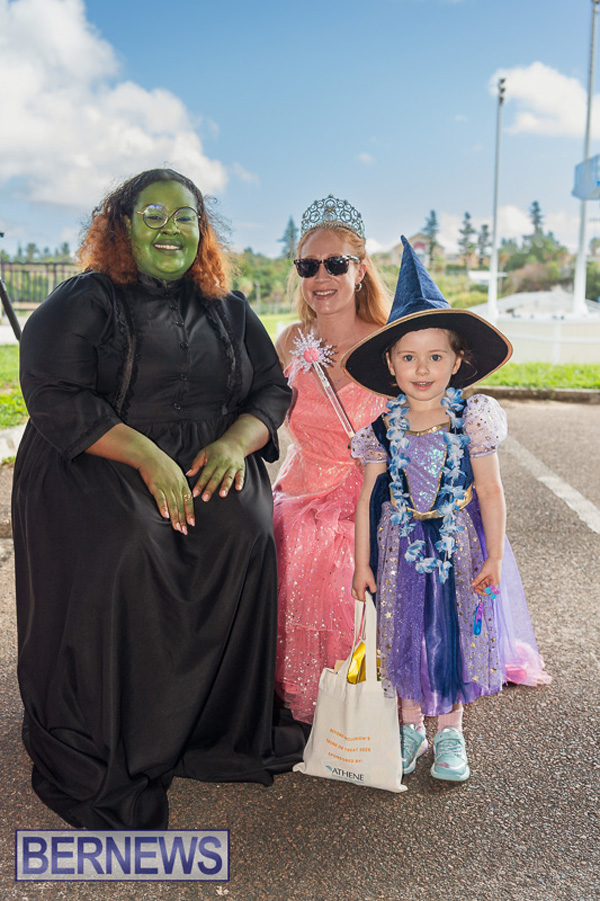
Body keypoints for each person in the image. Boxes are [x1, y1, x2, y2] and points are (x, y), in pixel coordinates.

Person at [12, 168, 303, 830]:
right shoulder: (84, 300)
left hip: (205, 455)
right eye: (154, 215)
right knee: (131, 543)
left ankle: (214, 730)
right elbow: (55, 393)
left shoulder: (229, 307)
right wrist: (146, 456)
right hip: (96, 456)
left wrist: (235, 443)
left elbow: (271, 390)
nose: (171, 229)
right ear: (121, 223)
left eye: (186, 217)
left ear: (202, 231)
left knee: (245, 529)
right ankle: (114, 743)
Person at [346, 237, 551, 783]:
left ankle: (451, 732)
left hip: (459, 547)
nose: (422, 368)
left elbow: (490, 491)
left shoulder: (473, 420)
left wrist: (494, 557)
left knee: (456, 634)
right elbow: (368, 498)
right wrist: (361, 562)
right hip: (398, 551)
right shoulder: (378, 432)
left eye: (436, 356)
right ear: (389, 365)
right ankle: (411, 726)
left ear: (458, 361)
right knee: (404, 634)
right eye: (408, 356)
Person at [273, 194, 391, 724]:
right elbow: (259, 414)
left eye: (336, 264)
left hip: (370, 489)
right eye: (308, 265)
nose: (321, 276)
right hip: (300, 487)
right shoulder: (290, 341)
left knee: (339, 548)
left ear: (360, 270)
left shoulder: (391, 343)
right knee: (280, 539)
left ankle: (370, 688)